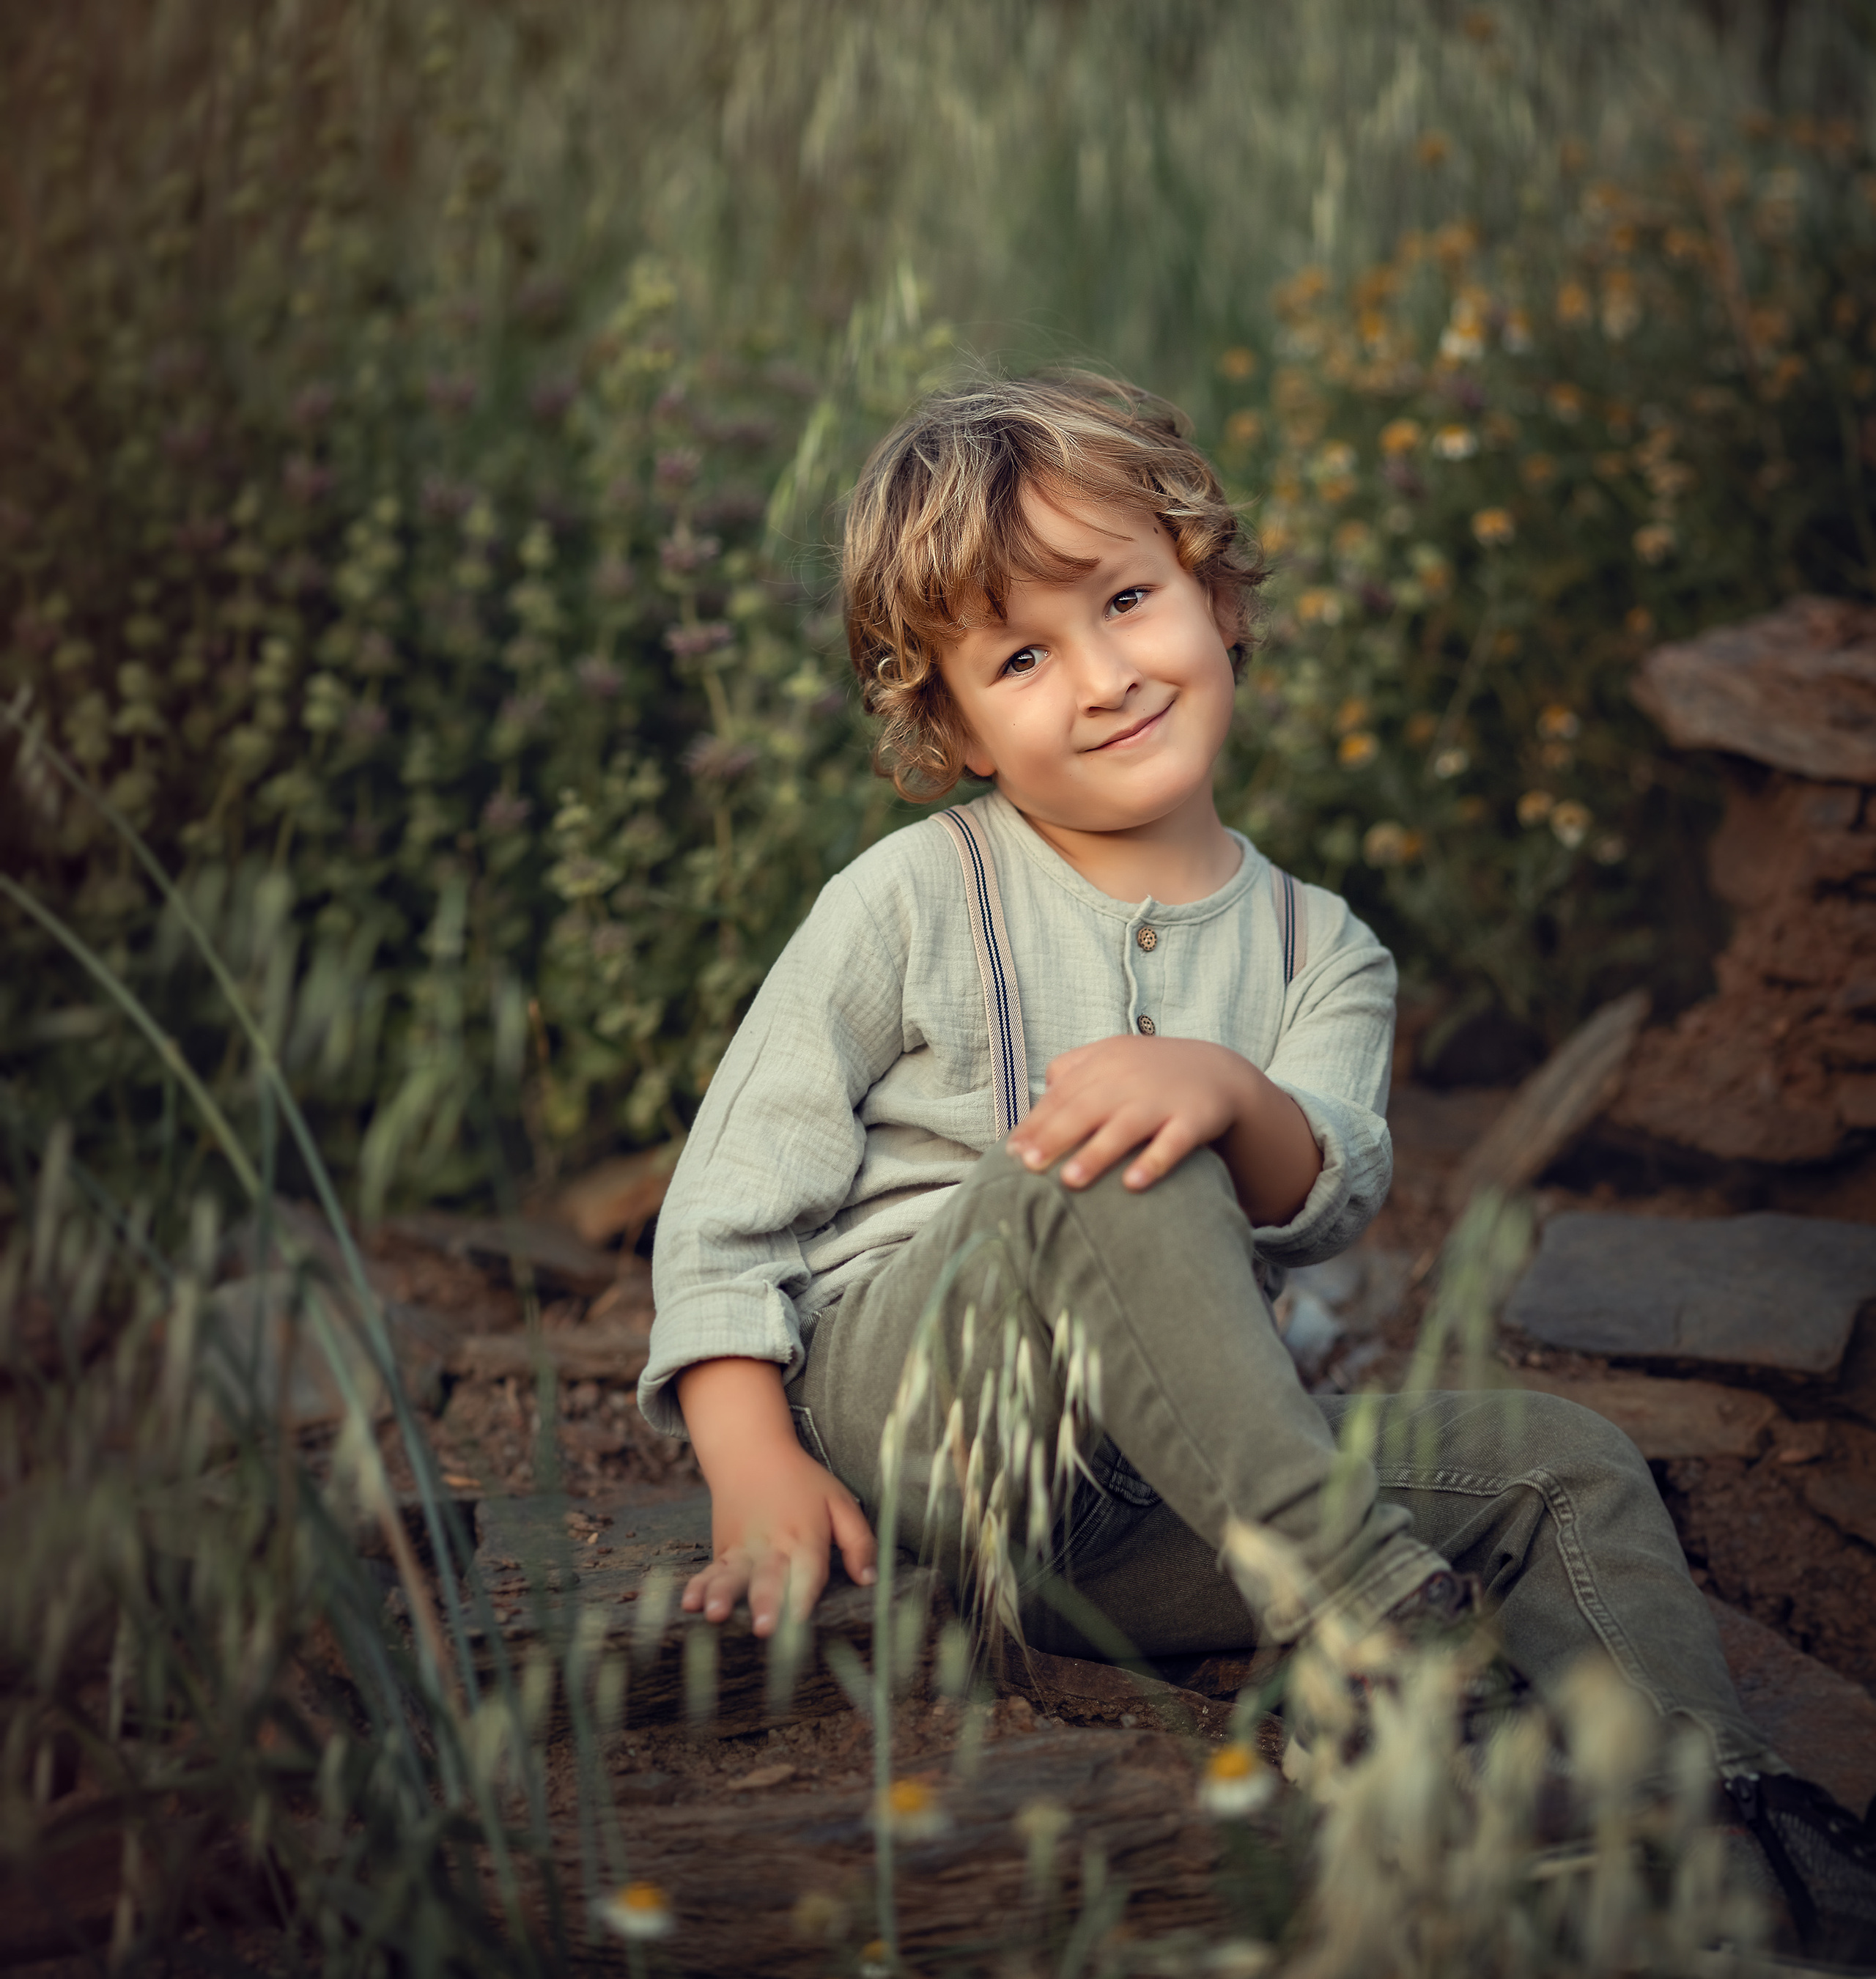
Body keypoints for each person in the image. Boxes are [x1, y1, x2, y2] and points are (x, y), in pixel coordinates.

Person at [638, 371, 1876, 1965]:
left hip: (1164, 1506)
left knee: (1556, 1458)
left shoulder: (1318, 951)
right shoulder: (906, 899)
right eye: (1020, 656)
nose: (1099, 677)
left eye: (1126, 600)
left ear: (1214, 592)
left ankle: (1730, 1821)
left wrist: (1225, 1086)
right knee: (1105, 1155)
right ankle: (1371, 1624)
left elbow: (1337, 1184)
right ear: (948, 727)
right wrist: (749, 1457)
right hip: (930, 1415)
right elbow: (726, 1203)